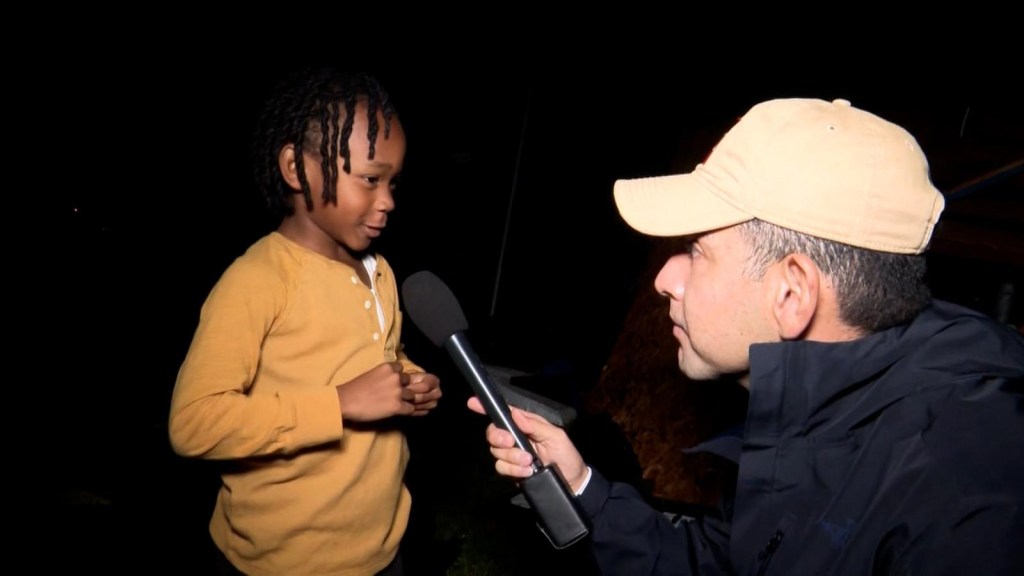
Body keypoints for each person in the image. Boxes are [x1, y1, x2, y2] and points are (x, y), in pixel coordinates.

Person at [468, 98, 1024, 575]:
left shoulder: (965, 500)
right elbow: (723, 563)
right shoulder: (825, 411)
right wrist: (583, 486)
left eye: (697, 252)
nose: (664, 280)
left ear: (791, 294)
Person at [169, 69, 442, 576]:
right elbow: (193, 424)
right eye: (370, 179)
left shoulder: (377, 270)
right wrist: (339, 404)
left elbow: (375, 356)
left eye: (393, 181)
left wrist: (408, 379)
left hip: (381, 547)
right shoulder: (257, 280)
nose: (388, 200)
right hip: (284, 561)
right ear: (297, 168)